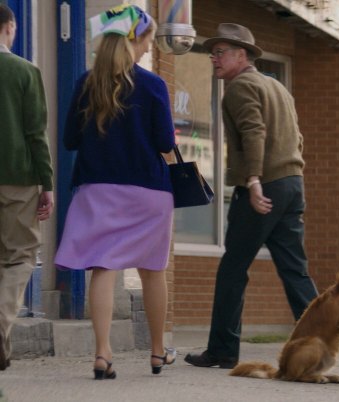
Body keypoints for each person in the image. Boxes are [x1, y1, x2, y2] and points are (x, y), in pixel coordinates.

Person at [185, 23, 319, 369]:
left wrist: (255, 181)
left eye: (221, 52)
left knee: (233, 269)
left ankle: (222, 350)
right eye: (212, 52)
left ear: (241, 55)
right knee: (295, 271)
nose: (213, 58)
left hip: (264, 187)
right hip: (291, 183)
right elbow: (298, 138)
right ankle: (325, 341)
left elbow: (253, 132)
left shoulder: (240, 87)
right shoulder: (275, 86)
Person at [53, 4, 176, 379]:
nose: (148, 49)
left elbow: (70, 140)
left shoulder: (85, 84)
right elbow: (166, 141)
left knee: (102, 268)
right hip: (148, 191)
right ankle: (157, 352)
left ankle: (103, 354)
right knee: (153, 269)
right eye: (148, 41)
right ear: (135, 40)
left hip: (98, 190)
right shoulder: (153, 85)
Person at [0, 4, 54, 371]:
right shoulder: (25, 71)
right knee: (20, 256)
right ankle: (1, 321)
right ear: (10, 26)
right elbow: (36, 134)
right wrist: (46, 183)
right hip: (17, 179)